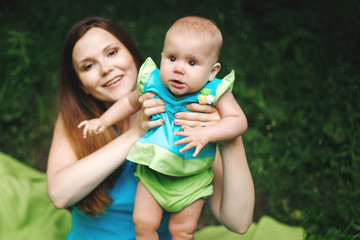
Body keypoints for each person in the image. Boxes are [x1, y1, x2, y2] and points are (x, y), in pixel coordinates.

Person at [47, 16, 254, 240]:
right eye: (88, 66)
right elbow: (59, 194)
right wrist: (136, 133)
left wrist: (228, 135)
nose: (106, 68)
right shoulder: (80, 120)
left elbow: (239, 222)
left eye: (112, 52)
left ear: (133, 54)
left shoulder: (187, 117)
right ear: (81, 84)